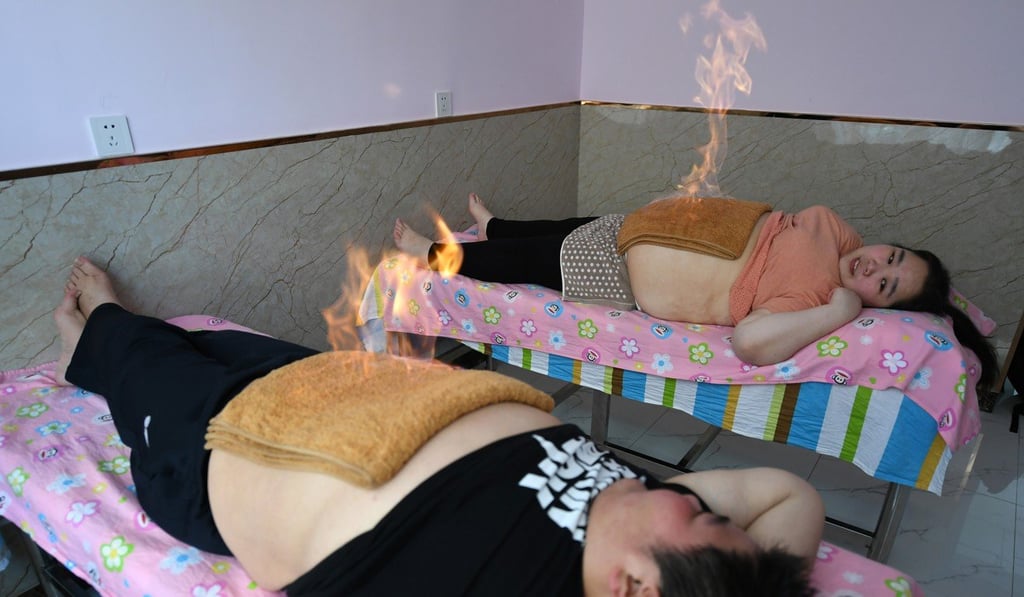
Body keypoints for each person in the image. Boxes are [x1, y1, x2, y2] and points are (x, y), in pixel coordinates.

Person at [55, 256, 824, 596]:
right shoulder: (639, 523)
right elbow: (789, 493)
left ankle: (95, 338)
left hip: (229, 443)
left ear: (633, 588)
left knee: (136, 353)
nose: (697, 497)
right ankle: (125, 339)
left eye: (701, 515)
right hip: (341, 392)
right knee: (215, 340)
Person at [394, 193, 997, 389]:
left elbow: (756, 343)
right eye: (889, 257)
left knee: (530, 259)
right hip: (657, 228)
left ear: (879, 307)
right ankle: (496, 223)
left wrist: (839, 310)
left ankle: (430, 254)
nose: (873, 269)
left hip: (630, 275)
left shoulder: (816, 302)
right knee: (570, 226)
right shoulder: (840, 233)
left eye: (886, 287)